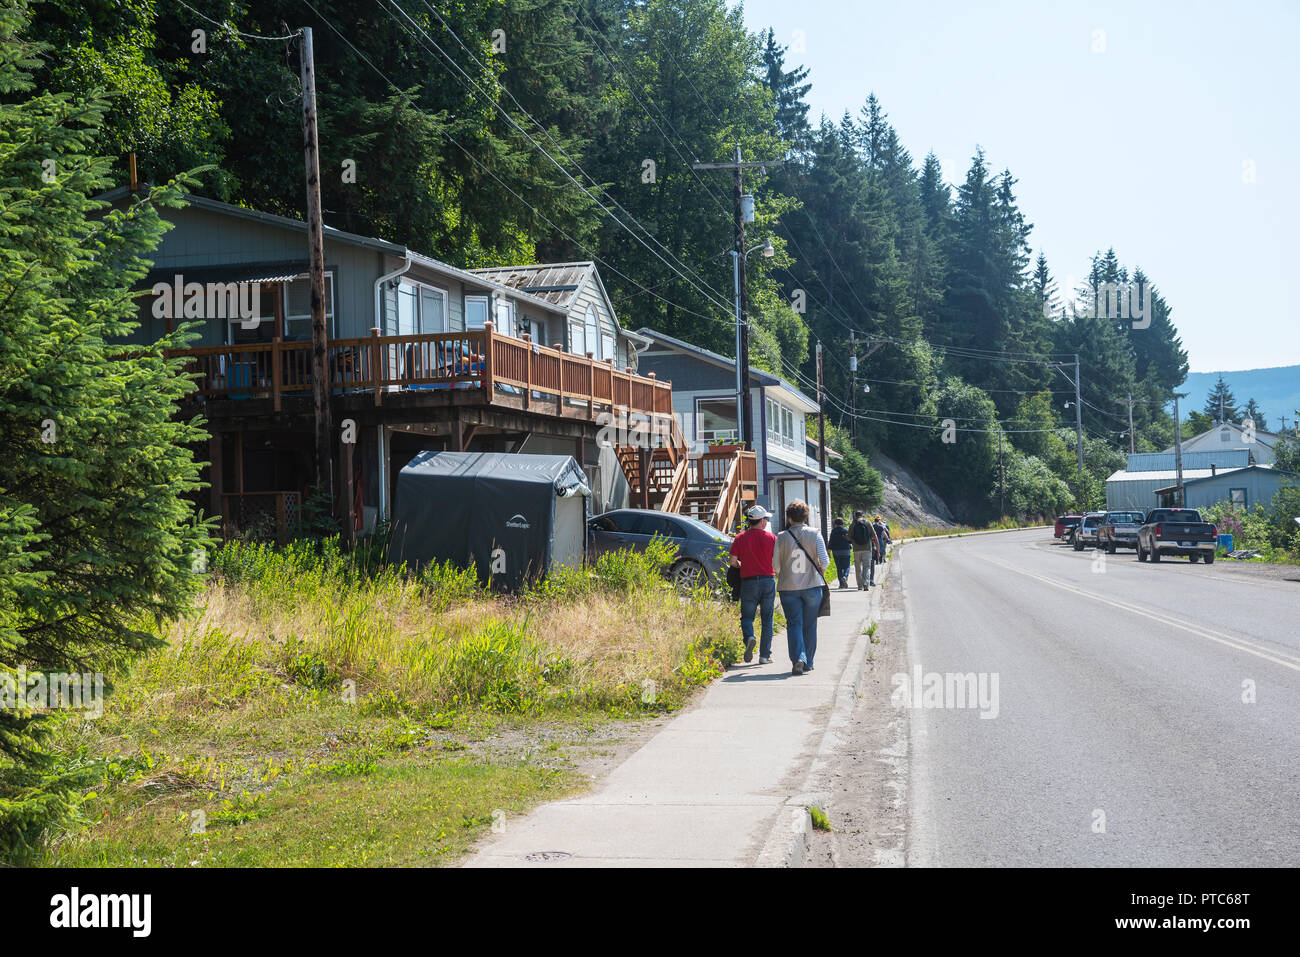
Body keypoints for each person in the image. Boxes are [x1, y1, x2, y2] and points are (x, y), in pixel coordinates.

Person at [775, 499, 829, 675]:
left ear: (789, 518)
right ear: (806, 517)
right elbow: (825, 560)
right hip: (812, 585)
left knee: (794, 624)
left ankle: (799, 657)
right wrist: (820, 569)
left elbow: (775, 566)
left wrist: (781, 571)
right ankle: (809, 662)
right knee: (810, 624)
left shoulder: (781, 537)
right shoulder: (815, 533)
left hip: (788, 587)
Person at [729, 504, 777, 664]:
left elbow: (733, 561)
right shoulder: (772, 538)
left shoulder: (740, 538)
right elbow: (777, 562)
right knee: (767, 618)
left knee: (747, 617)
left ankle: (749, 636)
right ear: (762, 521)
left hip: (748, 581)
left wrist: (744, 565)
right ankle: (764, 656)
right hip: (768, 580)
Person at [850, 510, 877, 590]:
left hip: (856, 549)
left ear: (855, 516)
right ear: (863, 516)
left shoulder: (853, 524)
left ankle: (859, 586)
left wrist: (854, 541)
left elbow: (849, 536)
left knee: (858, 568)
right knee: (867, 567)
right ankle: (865, 583)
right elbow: (873, 535)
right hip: (867, 548)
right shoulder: (868, 523)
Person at [828, 517, 853, 589]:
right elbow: (850, 541)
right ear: (842, 523)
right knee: (847, 566)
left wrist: (829, 552)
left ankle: (841, 584)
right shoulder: (846, 530)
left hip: (836, 552)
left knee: (839, 568)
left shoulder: (833, 531)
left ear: (835, 524)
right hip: (846, 551)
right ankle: (845, 576)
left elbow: (831, 542)